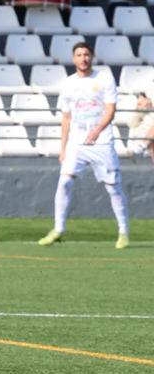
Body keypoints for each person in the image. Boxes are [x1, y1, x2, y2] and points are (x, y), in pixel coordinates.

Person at [38, 42, 129, 250]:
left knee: (113, 187)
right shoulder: (69, 84)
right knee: (64, 182)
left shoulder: (104, 78)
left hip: (102, 142)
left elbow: (110, 110)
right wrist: (63, 147)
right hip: (77, 143)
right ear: (73, 59)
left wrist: (96, 131)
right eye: (79, 55)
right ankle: (58, 229)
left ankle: (123, 232)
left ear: (92, 57)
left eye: (86, 54)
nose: (83, 58)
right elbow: (66, 118)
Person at [127, 93, 154, 161]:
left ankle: (144, 144)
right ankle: (143, 144)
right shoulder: (138, 112)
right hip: (142, 136)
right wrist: (140, 109)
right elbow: (132, 124)